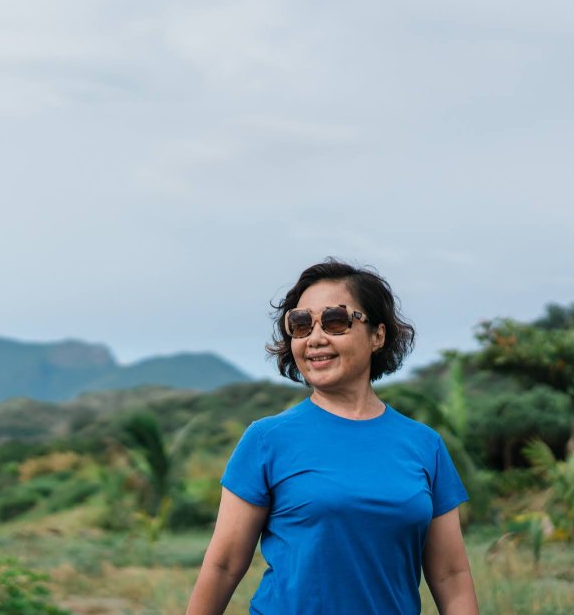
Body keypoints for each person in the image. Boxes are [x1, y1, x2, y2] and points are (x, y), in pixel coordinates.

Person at [186, 259, 479, 615]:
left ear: (378, 335)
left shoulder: (424, 445)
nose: (316, 338)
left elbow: (451, 576)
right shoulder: (266, 439)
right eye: (300, 324)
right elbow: (223, 566)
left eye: (336, 320)